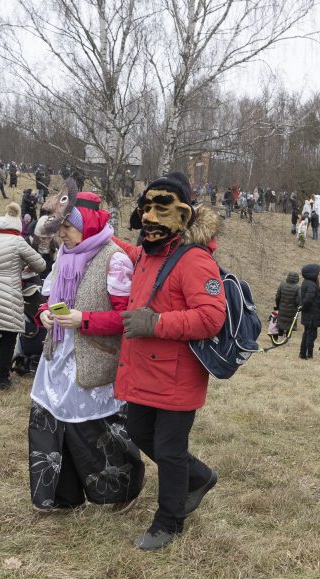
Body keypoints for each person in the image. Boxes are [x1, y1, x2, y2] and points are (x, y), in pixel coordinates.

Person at [112, 171, 224, 551]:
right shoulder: (147, 251)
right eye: (146, 210)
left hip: (176, 376)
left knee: (170, 451)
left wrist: (156, 322)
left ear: (182, 215)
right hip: (143, 370)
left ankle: (169, 522)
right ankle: (199, 476)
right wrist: (98, 235)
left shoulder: (194, 260)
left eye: (161, 211)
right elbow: (133, 253)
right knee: (140, 432)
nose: (149, 219)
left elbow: (211, 318)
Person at [27, 193, 145, 512]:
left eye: (68, 227)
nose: (62, 234)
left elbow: (125, 318)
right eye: (59, 227)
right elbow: (46, 297)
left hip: (94, 357)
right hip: (57, 355)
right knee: (51, 420)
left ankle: (120, 492)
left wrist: (84, 320)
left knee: (95, 428)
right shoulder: (65, 255)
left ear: (88, 224)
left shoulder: (114, 259)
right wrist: (45, 315)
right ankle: (63, 496)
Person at [0, 202, 47, 389]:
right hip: (9, 293)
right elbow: (40, 264)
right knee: (8, 337)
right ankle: (2, 378)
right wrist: (25, 267)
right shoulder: (17, 242)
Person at [299, 263, 320, 359]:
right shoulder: (311, 285)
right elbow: (308, 299)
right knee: (310, 335)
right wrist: (305, 308)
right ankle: (306, 353)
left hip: (310, 314)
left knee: (308, 333)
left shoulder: (308, 283)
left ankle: (305, 353)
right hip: (312, 315)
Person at [274, 271, 301, 337]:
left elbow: (277, 297)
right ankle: (287, 339)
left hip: (282, 308)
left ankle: (280, 337)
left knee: (281, 323)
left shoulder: (282, 285)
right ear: (297, 279)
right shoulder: (298, 288)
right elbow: (299, 300)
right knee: (290, 325)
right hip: (292, 310)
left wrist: (278, 306)